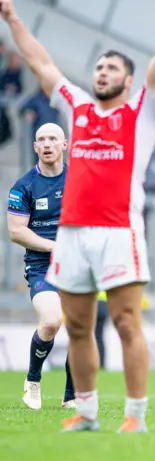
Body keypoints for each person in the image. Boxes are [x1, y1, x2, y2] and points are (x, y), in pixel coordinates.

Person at [0, 0, 155, 433]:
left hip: (119, 233)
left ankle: (136, 416)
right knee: (79, 327)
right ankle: (86, 412)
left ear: (127, 79)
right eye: (98, 67)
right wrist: (12, 21)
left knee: (126, 322)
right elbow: (41, 61)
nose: (101, 72)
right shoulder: (77, 108)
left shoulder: (140, 113)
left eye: (111, 68)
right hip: (71, 237)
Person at [6, 122, 75, 410]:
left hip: (78, 265)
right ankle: (33, 381)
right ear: (35, 147)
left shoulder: (79, 180)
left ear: (64, 145)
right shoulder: (24, 186)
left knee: (81, 330)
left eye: (52, 139)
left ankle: (72, 395)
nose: (46, 144)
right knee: (51, 322)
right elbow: (16, 231)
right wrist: (54, 246)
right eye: (41, 139)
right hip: (42, 266)